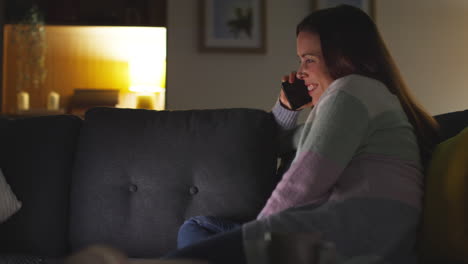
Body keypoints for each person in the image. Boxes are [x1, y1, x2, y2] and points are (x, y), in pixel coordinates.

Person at [164, 4, 440, 264]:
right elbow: (277, 144)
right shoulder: (368, 98)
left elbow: (305, 181)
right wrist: (287, 107)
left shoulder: (351, 90)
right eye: (300, 60)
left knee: (182, 257)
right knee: (197, 227)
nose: (301, 72)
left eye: (309, 60)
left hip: (343, 237)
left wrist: (259, 236)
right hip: (359, 236)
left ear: (345, 56)